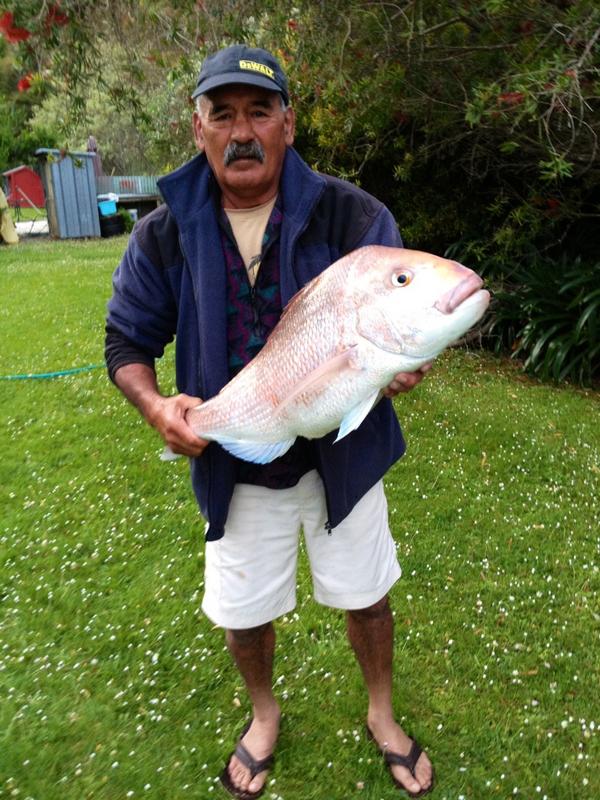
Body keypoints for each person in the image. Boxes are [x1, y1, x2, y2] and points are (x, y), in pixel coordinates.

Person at [105, 44, 434, 799]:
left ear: (288, 123)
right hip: (237, 453)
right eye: (223, 115)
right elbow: (127, 340)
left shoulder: (353, 214)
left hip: (343, 454)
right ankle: (263, 715)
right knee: (242, 610)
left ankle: (382, 713)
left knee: (368, 595)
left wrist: (404, 366)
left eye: (259, 112)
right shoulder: (163, 232)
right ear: (198, 129)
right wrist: (157, 404)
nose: (241, 131)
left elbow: (403, 313)